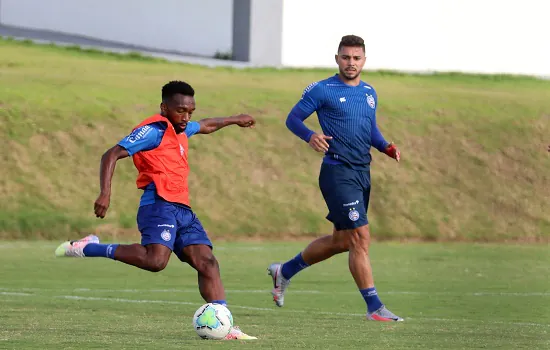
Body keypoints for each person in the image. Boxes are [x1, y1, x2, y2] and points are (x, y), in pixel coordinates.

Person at [55, 80, 257, 339]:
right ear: (164, 108)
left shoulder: (182, 129)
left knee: (207, 263)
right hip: (158, 204)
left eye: (190, 111)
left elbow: (207, 125)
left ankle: (225, 326)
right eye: (180, 111)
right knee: (155, 261)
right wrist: (105, 192)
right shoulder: (154, 131)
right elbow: (111, 154)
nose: (186, 117)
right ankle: (90, 247)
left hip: (183, 208)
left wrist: (235, 118)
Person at [267, 35, 404, 322]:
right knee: (361, 238)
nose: (350, 63)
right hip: (337, 172)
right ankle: (375, 308)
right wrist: (310, 136)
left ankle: (285, 271)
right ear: (337, 59)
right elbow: (292, 119)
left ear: (364, 60)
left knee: (342, 241)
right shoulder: (322, 90)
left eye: (356, 58)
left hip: (362, 172)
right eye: (345, 57)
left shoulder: (369, 92)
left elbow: (371, 130)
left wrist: (386, 147)